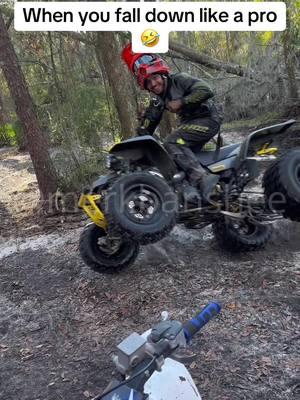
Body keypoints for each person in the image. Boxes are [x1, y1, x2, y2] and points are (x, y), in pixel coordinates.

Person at [121, 43, 221, 203]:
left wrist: (182, 101)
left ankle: (203, 180)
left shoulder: (180, 80)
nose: (154, 84)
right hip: (189, 125)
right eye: (148, 83)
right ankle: (192, 195)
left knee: (173, 141)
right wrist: (133, 146)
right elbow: (146, 129)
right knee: (169, 154)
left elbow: (206, 90)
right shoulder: (157, 101)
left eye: (155, 78)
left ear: (162, 75)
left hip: (208, 119)